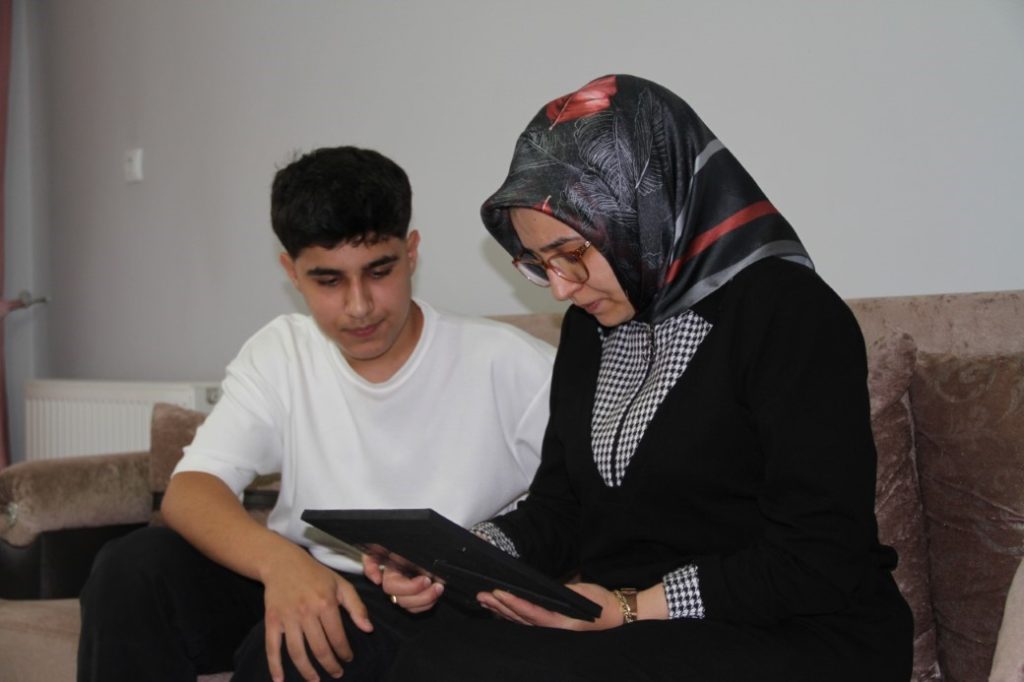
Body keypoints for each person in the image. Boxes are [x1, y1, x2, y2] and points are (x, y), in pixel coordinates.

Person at [382, 75, 913, 681]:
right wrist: (450, 557)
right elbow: (561, 511)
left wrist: (631, 608)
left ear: (644, 207)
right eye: (539, 263)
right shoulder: (592, 325)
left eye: (572, 253)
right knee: (425, 650)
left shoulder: (788, 314)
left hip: (801, 632)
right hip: (637, 629)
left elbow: (820, 554)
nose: (560, 287)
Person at [77, 146, 555, 682]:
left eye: (379, 271)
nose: (359, 306)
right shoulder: (281, 351)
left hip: (441, 603)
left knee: (293, 654)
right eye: (328, 281)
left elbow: (588, 508)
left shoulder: (511, 363)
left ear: (411, 253)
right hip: (304, 569)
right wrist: (280, 564)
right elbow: (191, 488)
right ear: (292, 272)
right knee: (131, 568)